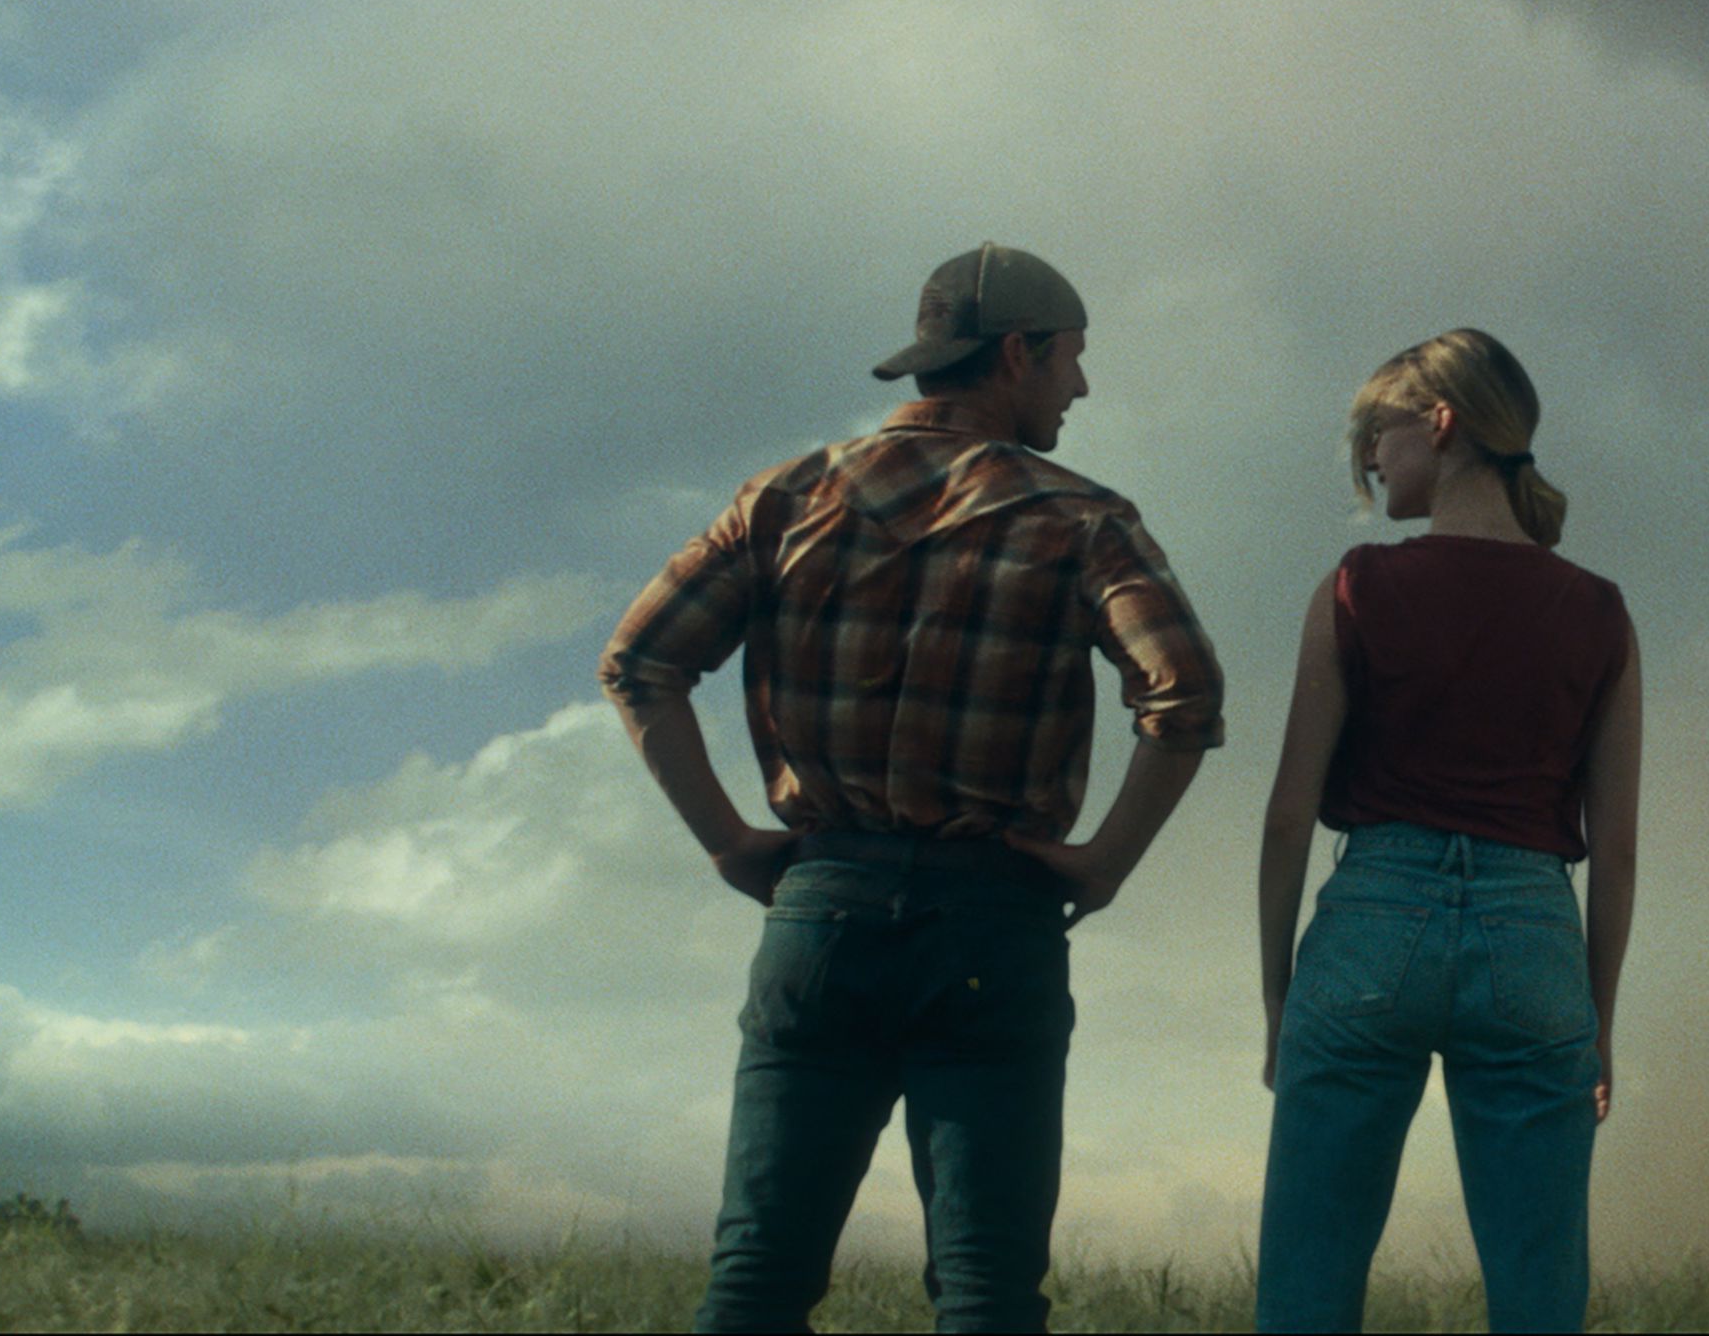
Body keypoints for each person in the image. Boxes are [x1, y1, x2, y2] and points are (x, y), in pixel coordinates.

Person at [599, 243, 1223, 1334]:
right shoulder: (1083, 518)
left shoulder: (784, 495)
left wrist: (729, 842)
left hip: (820, 908)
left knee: (756, 1278)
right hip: (994, 922)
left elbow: (640, 661)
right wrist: (1107, 860)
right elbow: (1185, 690)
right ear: (1017, 353)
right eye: (1073, 358)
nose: (1081, 385)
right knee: (986, 1291)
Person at [1254, 328, 1641, 1334]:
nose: (1370, 459)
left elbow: (1290, 812)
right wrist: (1597, 1019)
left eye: (1377, 432)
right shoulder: (1601, 611)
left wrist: (1276, 998)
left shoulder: (1357, 586)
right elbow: (1620, 845)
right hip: (1533, 936)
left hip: (1371, 927)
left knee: (1307, 1284)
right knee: (1539, 1295)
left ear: (1441, 420)